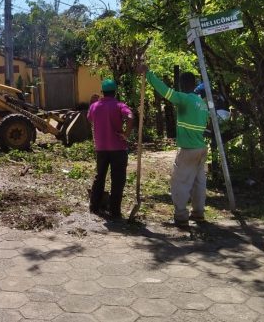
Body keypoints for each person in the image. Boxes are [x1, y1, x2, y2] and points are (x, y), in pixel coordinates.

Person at [138, 65, 209, 228]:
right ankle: (198, 213)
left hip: (188, 150)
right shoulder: (202, 103)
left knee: (180, 182)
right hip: (201, 149)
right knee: (199, 182)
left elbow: (164, 91)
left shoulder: (184, 99)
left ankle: (181, 216)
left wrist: (148, 74)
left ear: (182, 85)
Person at [86, 79, 134, 220]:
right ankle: (115, 211)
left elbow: (90, 119)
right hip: (118, 148)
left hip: (101, 148)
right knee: (118, 179)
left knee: (99, 177)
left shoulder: (95, 106)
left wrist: (92, 104)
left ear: (103, 92)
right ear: (115, 92)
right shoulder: (119, 105)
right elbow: (130, 117)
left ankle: (94, 207)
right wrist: (126, 134)